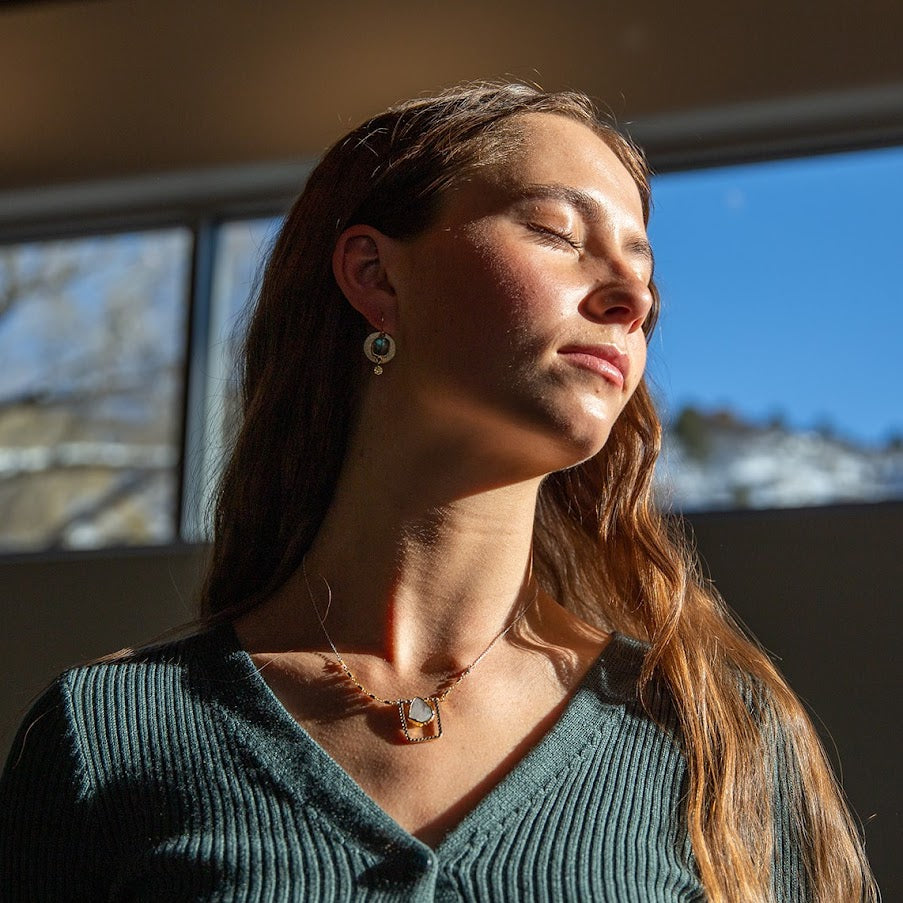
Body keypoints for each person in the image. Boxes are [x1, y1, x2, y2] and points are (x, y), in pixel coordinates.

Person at [0, 82, 878, 902]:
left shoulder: (713, 736)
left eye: (640, 266)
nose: (630, 297)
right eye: (557, 232)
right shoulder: (108, 732)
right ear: (375, 277)